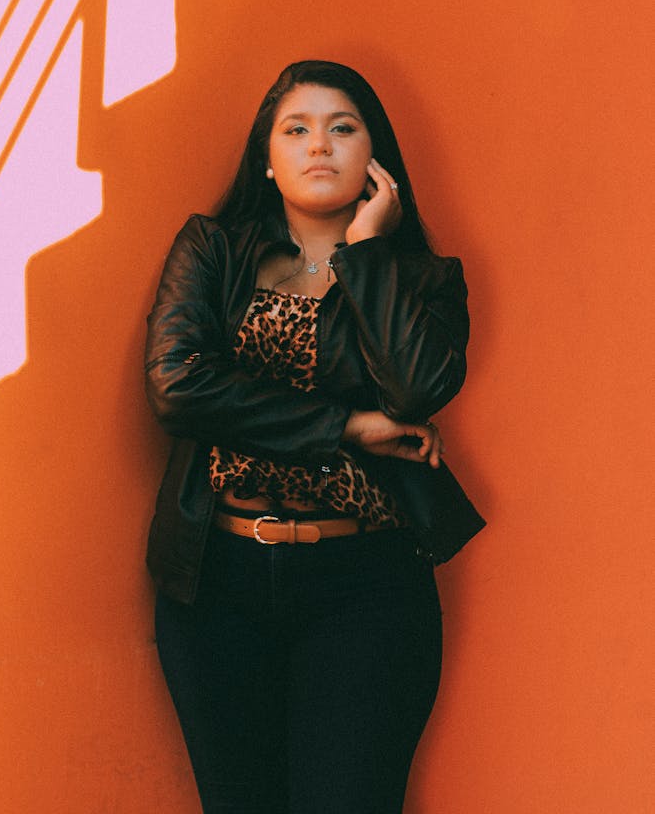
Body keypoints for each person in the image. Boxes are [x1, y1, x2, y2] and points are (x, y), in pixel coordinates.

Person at [144, 60, 480, 813]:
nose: (318, 145)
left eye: (342, 128)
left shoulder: (424, 279)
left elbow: (418, 389)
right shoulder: (213, 251)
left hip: (363, 586)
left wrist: (364, 254)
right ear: (267, 158)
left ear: (375, 159)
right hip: (214, 583)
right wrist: (346, 426)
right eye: (295, 129)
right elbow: (177, 385)